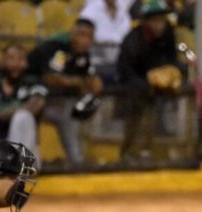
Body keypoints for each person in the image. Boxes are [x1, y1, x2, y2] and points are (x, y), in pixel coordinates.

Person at [28, 18, 104, 167]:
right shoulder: (59, 49)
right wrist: (80, 82)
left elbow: (89, 75)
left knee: (72, 113)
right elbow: (52, 79)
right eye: (82, 35)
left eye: (90, 37)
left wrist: (94, 81)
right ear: (73, 34)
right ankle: (32, 164)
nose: (86, 41)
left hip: (57, 101)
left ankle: (77, 161)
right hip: (29, 98)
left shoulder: (82, 53)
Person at [117, 0, 183, 162]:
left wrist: (170, 72)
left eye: (162, 20)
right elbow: (126, 69)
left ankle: (148, 151)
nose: (159, 25)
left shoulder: (167, 34)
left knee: (152, 113)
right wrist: (145, 83)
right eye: (155, 21)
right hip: (133, 81)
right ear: (146, 22)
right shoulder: (134, 40)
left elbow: (172, 59)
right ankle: (128, 152)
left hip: (155, 84)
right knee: (136, 115)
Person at [0, 44, 48, 161]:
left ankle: (19, 165)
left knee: (23, 116)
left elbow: (33, 107)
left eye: (20, 59)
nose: (15, 63)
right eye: (11, 58)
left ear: (27, 63)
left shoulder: (35, 84)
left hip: (26, 153)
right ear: (2, 61)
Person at [80, 0, 133, 83]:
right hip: (97, 59)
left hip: (120, 60)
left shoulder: (123, 12)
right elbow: (82, 35)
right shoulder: (91, 9)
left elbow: (128, 35)